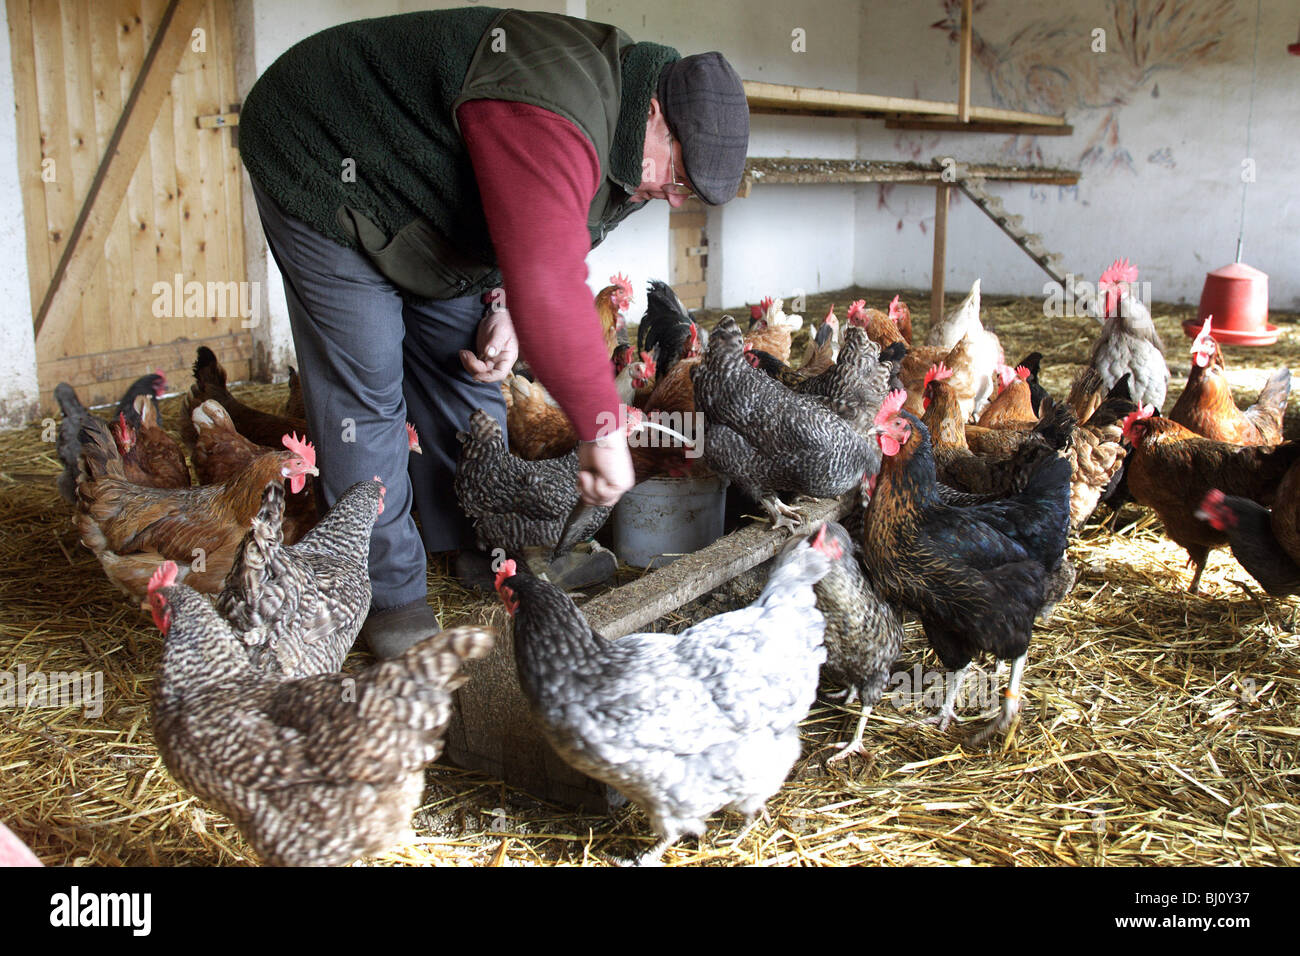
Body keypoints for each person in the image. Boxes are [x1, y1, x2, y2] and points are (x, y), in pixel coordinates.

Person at [237, 7, 749, 658]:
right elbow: (548, 277)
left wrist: (505, 300)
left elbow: (554, 237)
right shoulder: (555, 107)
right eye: (678, 177)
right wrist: (599, 425)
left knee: (466, 368)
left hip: (430, 208)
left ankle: (479, 546)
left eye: (688, 191)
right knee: (366, 393)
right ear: (655, 112)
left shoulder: (626, 148)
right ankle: (391, 603)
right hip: (326, 150)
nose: (676, 198)